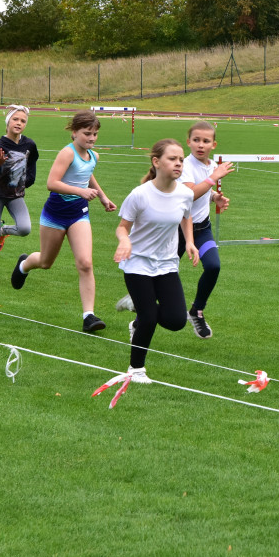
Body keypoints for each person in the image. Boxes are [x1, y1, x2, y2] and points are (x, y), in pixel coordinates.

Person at [117, 121, 233, 338]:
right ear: (188, 142)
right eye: (196, 140)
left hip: (201, 229)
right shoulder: (185, 165)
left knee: (214, 266)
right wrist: (213, 178)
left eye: (205, 141)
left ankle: (196, 311)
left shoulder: (209, 166)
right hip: (176, 230)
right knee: (165, 280)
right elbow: (191, 193)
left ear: (213, 144)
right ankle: (141, 317)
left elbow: (200, 195)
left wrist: (215, 197)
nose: (200, 145)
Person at [11, 110, 117, 333]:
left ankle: (89, 316)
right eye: (87, 133)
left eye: (95, 134)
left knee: (85, 263)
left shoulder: (94, 156)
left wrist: (103, 198)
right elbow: (52, 183)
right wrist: (81, 191)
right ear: (75, 132)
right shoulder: (66, 154)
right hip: (55, 213)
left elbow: (88, 174)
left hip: (79, 213)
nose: (92, 138)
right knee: (46, 262)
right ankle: (24, 264)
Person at [113, 138, 198, 383]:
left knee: (176, 320)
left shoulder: (185, 194)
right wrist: (125, 241)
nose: (178, 163)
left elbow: (186, 217)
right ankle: (135, 370)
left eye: (181, 159)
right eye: (172, 158)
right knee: (149, 318)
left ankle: (136, 305)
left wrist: (190, 242)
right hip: (137, 262)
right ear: (156, 162)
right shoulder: (140, 195)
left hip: (167, 263)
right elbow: (122, 227)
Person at [0, 105, 39, 284]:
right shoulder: (0, 146)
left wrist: (27, 180)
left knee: (25, 229)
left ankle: (3, 231)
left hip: (15, 195)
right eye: (15, 119)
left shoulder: (29, 145)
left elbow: (32, 163)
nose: (19, 123)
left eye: (23, 121)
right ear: (7, 122)